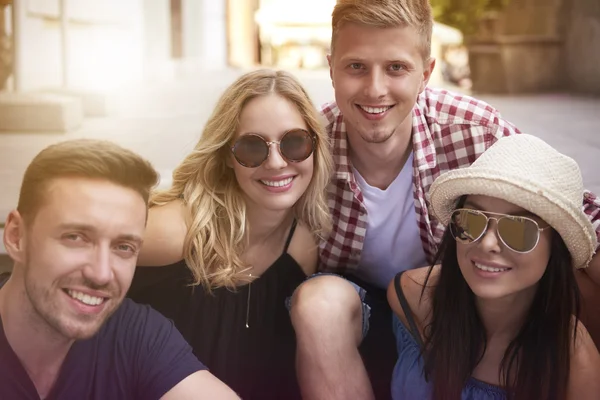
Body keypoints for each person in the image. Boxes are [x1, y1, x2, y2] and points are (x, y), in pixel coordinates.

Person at [287, 1, 600, 399]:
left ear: (426, 73)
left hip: (455, 303)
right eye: (356, 67)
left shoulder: (473, 129)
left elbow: (574, 206)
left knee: (577, 277)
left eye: (396, 68)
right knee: (318, 304)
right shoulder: (308, 145)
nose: (375, 89)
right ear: (331, 68)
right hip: (358, 309)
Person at [127, 69, 333, 399]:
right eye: (252, 147)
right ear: (226, 157)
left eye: (294, 142)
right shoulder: (175, 231)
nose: (277, 163)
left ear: (315, 146)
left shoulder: (301, 247)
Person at [0, 139, 239, 399]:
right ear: (16, 236)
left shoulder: (135, 336)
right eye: (75, 237)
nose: (101, 273)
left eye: (123, 247)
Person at [387, 134, 600, 399]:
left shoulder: (573, 359)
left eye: (519, 229)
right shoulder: (410, 297)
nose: (487, 243)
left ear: (556, 248)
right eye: (471, 220)